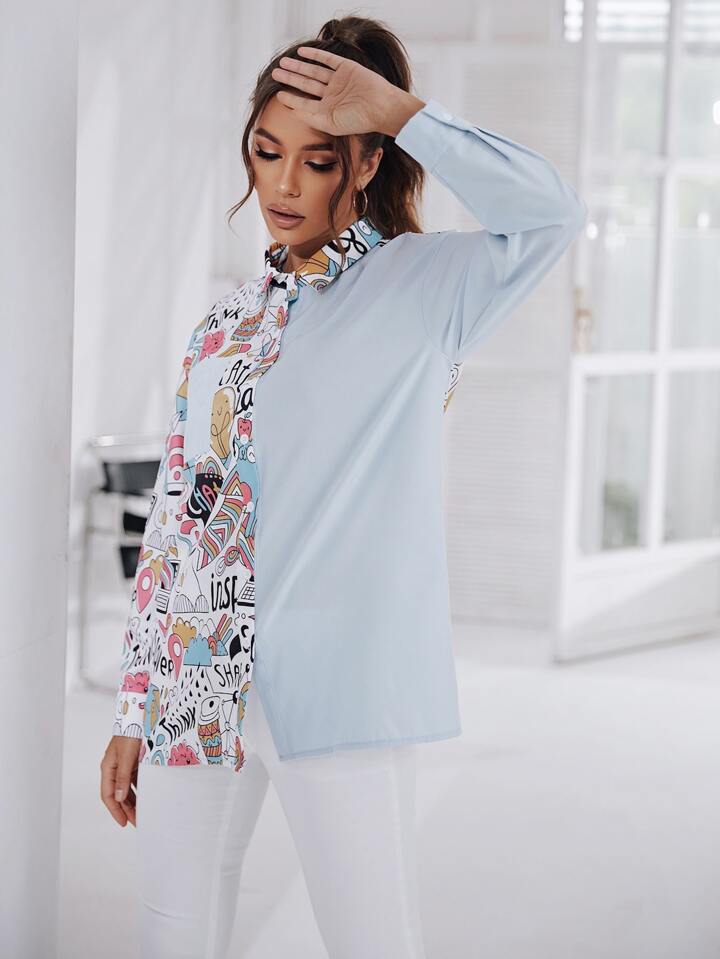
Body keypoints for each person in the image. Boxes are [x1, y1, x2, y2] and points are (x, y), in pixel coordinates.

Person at [99, 14, 587, 959]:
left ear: (364, 163)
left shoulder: (428, 288)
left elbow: (553, 215)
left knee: (373, 941)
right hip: (196, 673)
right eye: (267, 151)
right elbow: (176, 521)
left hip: (342, 683)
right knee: (171, 932)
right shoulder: (224, 324)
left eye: (317, 160)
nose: (283, 184)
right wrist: (134, 705)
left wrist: (402, 113)